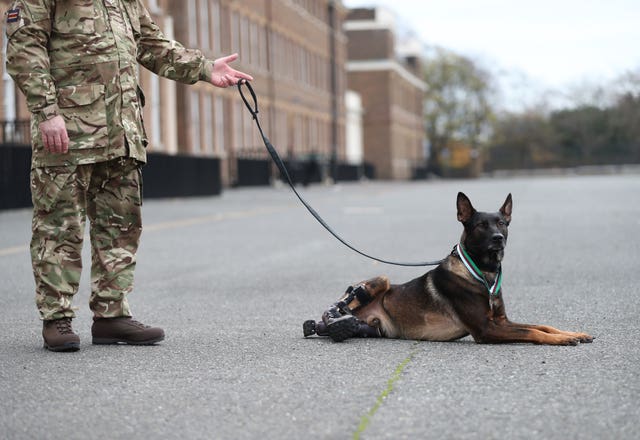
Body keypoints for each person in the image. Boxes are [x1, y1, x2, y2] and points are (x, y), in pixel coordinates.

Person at [5, 0, 253, 352]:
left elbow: (152, 45)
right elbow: (24, 46)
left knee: (121, 226)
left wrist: (204, 68)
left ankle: (111, 315)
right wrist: (46, 111)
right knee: (59, 228)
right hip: (68, 134)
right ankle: (56, 318)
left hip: (122, 134)